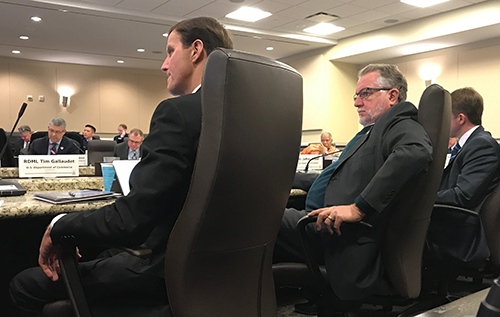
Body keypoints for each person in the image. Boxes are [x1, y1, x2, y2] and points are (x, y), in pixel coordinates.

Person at [9, 17, 233, 315]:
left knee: (23, 285)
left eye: (170, 51)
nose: (164, 65)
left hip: (163, 272)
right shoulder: (250, 117)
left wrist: (58, 225)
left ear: (196, 50)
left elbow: (130, 220)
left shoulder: (178, 113)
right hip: (225, 274)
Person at [273, 64, 433, 304]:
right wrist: (283, 178)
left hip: (337, 233)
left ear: (392, 95)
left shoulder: (400, 122)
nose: (357, 102)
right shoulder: (373, 130)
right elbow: (339, 176)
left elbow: (415, 152)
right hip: (323, 221)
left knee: (255, 217)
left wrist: (359, 208)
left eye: (365, 93)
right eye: (356, 95)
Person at [428, 87, 500, 264]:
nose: (442, 122)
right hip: (454, 222)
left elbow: (463, 195)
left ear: (460, 118)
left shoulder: (482, 145)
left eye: (446, 117)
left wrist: (424, 199)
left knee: (401, 229)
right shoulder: (466, 146)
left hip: (462, 232)